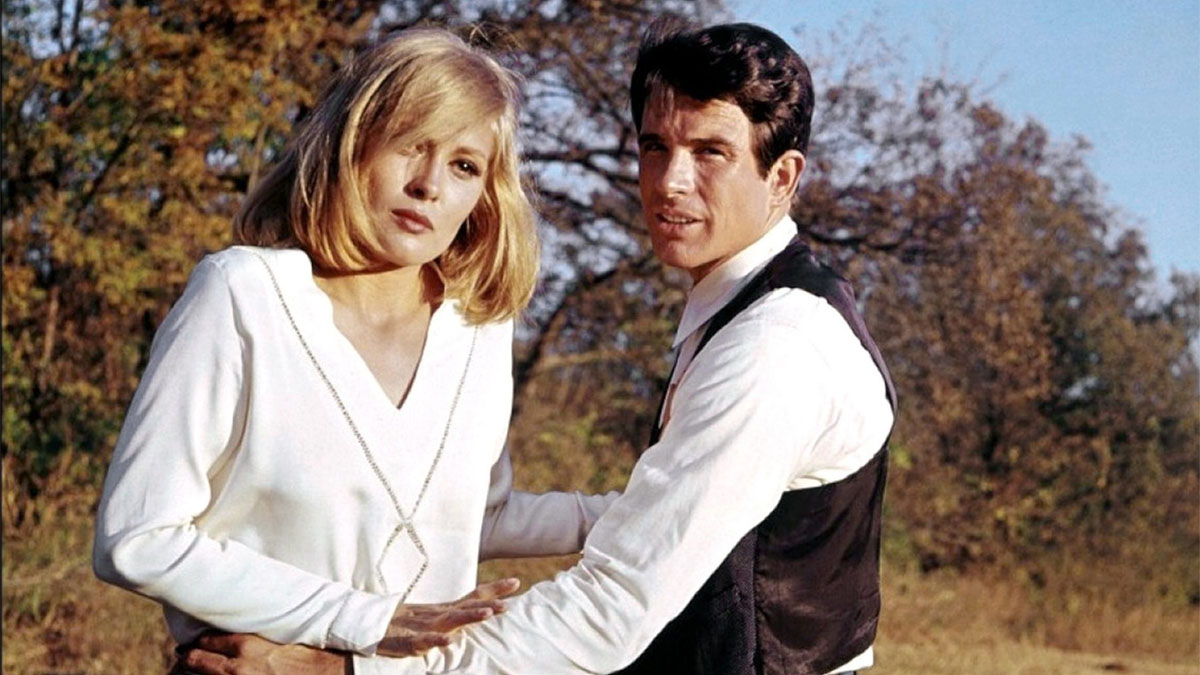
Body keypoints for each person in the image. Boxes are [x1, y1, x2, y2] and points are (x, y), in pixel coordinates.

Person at [181, 20, 895, 675]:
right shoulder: (745, 307)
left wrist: (342, 668)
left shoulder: (777, 347)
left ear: (783, 178)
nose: (670, 181)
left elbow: (612, 605)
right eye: (655, 147)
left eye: (711, 152)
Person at [92, 27, 616, 671]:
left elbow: (467, 520)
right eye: (410, 145)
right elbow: (137, 537)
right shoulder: (242, 294)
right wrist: (360, 619)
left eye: (463, 165)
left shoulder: (479, 327)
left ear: (483, 196)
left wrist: (635, 512)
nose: (429, 184)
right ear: (352, 144)